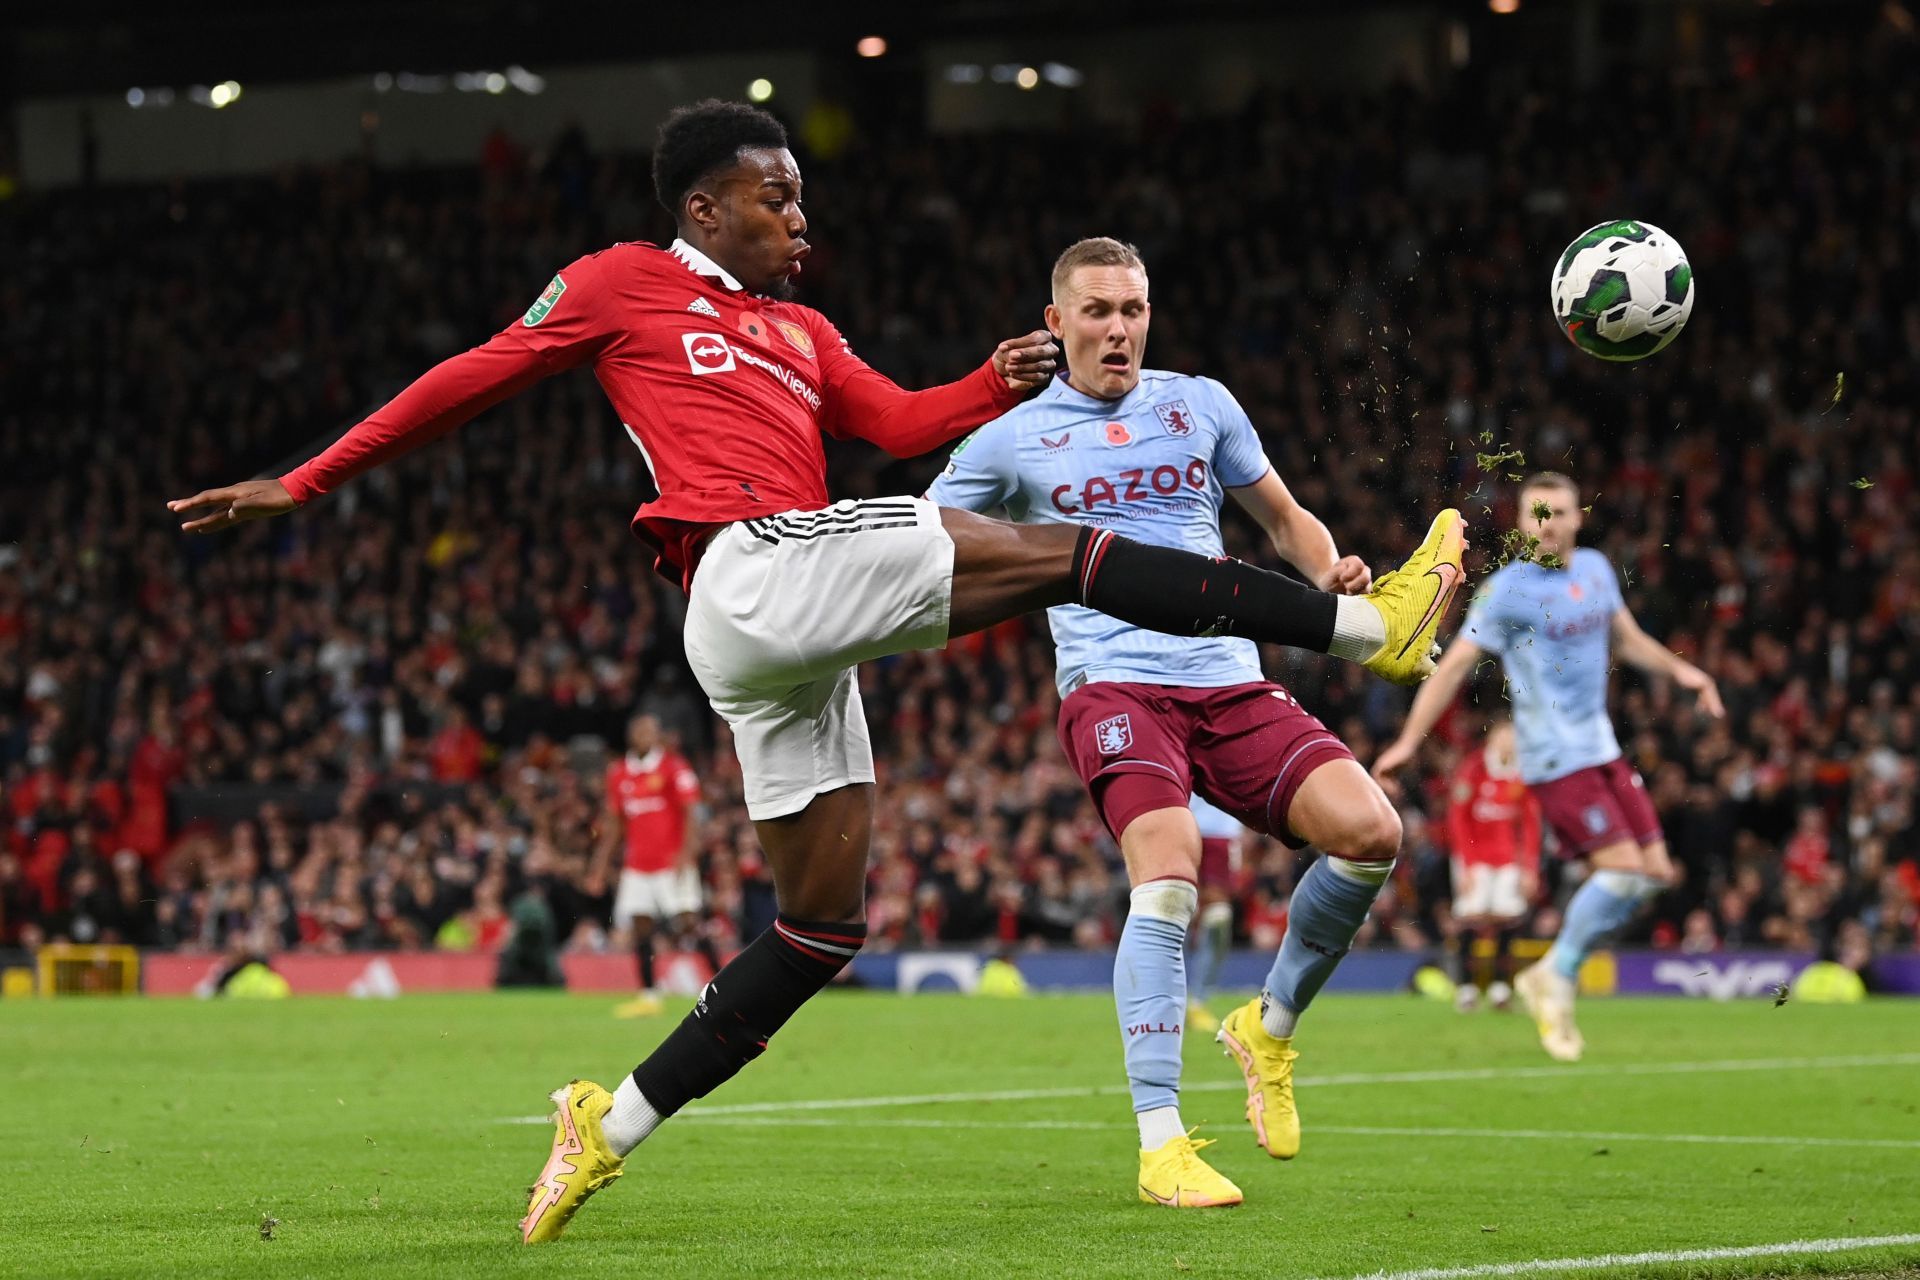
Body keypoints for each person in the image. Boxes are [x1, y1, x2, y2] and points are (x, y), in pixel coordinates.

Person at [169, 105, 1463, 1242]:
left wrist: (982, 385)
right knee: (1070, 556)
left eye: (800, 191)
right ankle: (1367, 634)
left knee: (823, 923)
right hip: (744, 568)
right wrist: (308, 479)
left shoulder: (800, 327)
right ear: (702, 207)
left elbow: (897, 422)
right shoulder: (622, 282)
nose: (801, 211)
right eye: (775, 193)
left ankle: (602, 1125)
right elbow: (475, 376)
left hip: (793, 622)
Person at [930, 237, 1466, 1207]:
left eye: (1133, 308)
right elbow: (927, 538)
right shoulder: (1012, 438)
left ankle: (1268, 1027)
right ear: (1056, 324)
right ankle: (1162, 1141)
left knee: (1371, 832)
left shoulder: (1201, 403)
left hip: (1227, 679)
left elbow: (1283, 516)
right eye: (1097, 310)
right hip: (1114, 684)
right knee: (1170, 869)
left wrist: (1327, 571)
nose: (1119, 328)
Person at [1373, 472, 1722, 1060]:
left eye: (1559, 513)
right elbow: (1456, 664)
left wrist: (1683, 671)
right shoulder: (1507, 593)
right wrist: (1410, 740)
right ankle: (1554, 975)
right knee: (1622, 872)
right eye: (1538, 514)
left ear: (1578, 517)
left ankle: (1552, 971)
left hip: (1602, 748)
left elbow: (1628, 640)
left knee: (1656, 871)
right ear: (1521, 524)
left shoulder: (1596, 571)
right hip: (1554, 757)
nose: (1550, 524)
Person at [601, 713, 715, 1019]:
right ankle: (649, 996)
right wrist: (599, 866)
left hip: (671, 863)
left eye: (650, 731)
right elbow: (615, 824)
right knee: (641, 928)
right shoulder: (619, 773)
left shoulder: (673, 767)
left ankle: (723, 985)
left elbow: (692, 812)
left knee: (689, 923)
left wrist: (686, 854)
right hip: (637, 865)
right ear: (630, 735)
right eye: (639, 730)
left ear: (657, 735)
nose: (644, 735)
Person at [1442, 717, 1541, 1012]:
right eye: (1504, 736)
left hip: (1509, 859)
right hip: (1475, 859)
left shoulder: (1522, 774)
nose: (1509, 742)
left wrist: (1530, 868)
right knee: (1472, 918)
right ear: (1493, 738)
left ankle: (1500, 988)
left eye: (1513, 737)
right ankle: (1466, 988)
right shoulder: (1474, 768)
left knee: (1506, 919)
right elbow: (1458, 819)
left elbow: (1531, 825)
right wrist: (1466, 865)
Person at [1184, 795, 1242, 1034]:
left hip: (1209, 831)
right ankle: (1191, 1001)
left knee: (1215, 917)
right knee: (1190, 914)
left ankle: (1193, 1002)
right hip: (1195, 829)